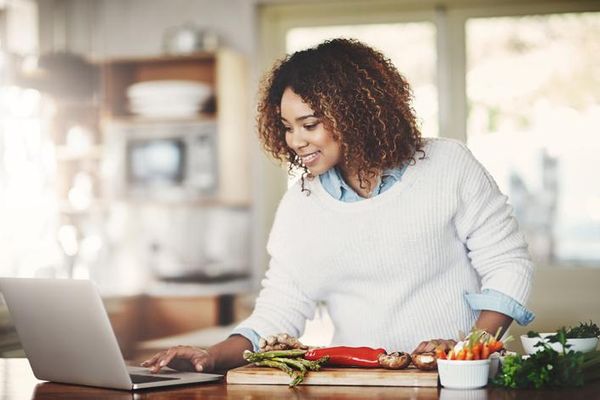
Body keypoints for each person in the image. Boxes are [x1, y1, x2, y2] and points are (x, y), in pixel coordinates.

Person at [141, 38, 535, 374]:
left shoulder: (447, 165)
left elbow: (508, 263)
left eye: (309, 124)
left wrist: (468, 350)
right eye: (287, 126)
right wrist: (210, 356)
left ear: (355, 114)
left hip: (457, 381)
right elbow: (279, 308)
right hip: (357, 383)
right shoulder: (302, 204)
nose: (295, 140)